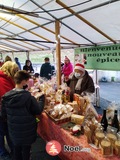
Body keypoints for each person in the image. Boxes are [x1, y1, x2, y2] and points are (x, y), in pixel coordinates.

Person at [1, 70, 45, 160]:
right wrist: (41, 99)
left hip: (13, 130)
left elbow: (3, 114)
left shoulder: (5, 97)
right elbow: (37, 111)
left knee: (16, 149)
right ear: (24, 81)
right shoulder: (28, 97)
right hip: (27, 131)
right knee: (26, 151)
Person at [0, 61, 19, 160]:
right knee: (1, 133)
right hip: (2, 112)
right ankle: (2, 153)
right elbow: (6, 97)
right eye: (15, 70)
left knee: (8, 131)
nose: (16, 73)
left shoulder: (8, 79)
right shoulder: (2, 80)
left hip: (7, 113)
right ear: (9, 70)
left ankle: (12, 150)